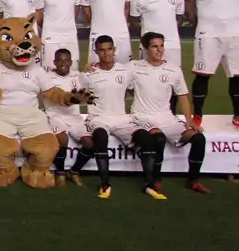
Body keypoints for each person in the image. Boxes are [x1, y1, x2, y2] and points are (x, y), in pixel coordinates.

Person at [130, 32, 211, 196]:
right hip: (142, 116)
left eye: (161, 45)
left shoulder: (174, 70)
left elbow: (183, 97)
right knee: (158, 138)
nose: (159, 50)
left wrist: (189, 122)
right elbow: (110, 71)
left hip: (167, 118)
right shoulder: (134, 67)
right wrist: (92, 67)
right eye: (154, 46)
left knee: (199, 139)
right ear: (145, 49)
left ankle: (193, 180)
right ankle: (156, 179)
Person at [183, 0, 239, 127]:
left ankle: (237, 115)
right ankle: (197, 115)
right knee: (202, 74)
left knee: (237, 75)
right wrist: (200, 24)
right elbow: (189, 7)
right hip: (208, 35)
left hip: (235, 35)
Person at [80, 36, 138, 199]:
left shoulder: (125, 70)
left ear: (114, 50)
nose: (106, 53)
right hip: (98, 118)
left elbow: (133, 90)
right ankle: (105, 184)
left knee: (147, 139)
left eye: (109, 49)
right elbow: (78, 95)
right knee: (100, 136)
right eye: (102, 50)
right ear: (96, 51)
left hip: (121, 118)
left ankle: (151, 184)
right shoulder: (87, 74)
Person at [43, 49, 92, 186]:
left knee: (89, 143)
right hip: (55, 116)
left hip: (74, 117)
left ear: (71, 62)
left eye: (66, 60)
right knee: (62, 139)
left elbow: (87, 92)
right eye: (59, 60)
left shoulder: (78, 77)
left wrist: (90, 70)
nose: (62, 63)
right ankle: (60, 172)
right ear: (54, 62)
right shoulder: (47, 78)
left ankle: (75, 171)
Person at [130, 0, 184, 68]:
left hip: (172, 44)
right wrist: (146, 37)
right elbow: (134, 21)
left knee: (173, 75)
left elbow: (179, 17)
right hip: (149, 45)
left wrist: (170, 31)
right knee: (147, 76)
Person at [37, 0, 82, 71]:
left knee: (73, 69)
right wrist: (51, 26)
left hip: (70, 35)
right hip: (50, 37)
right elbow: (39, 18)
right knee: (49, 70)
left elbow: (74, 14)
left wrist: (66, 25)